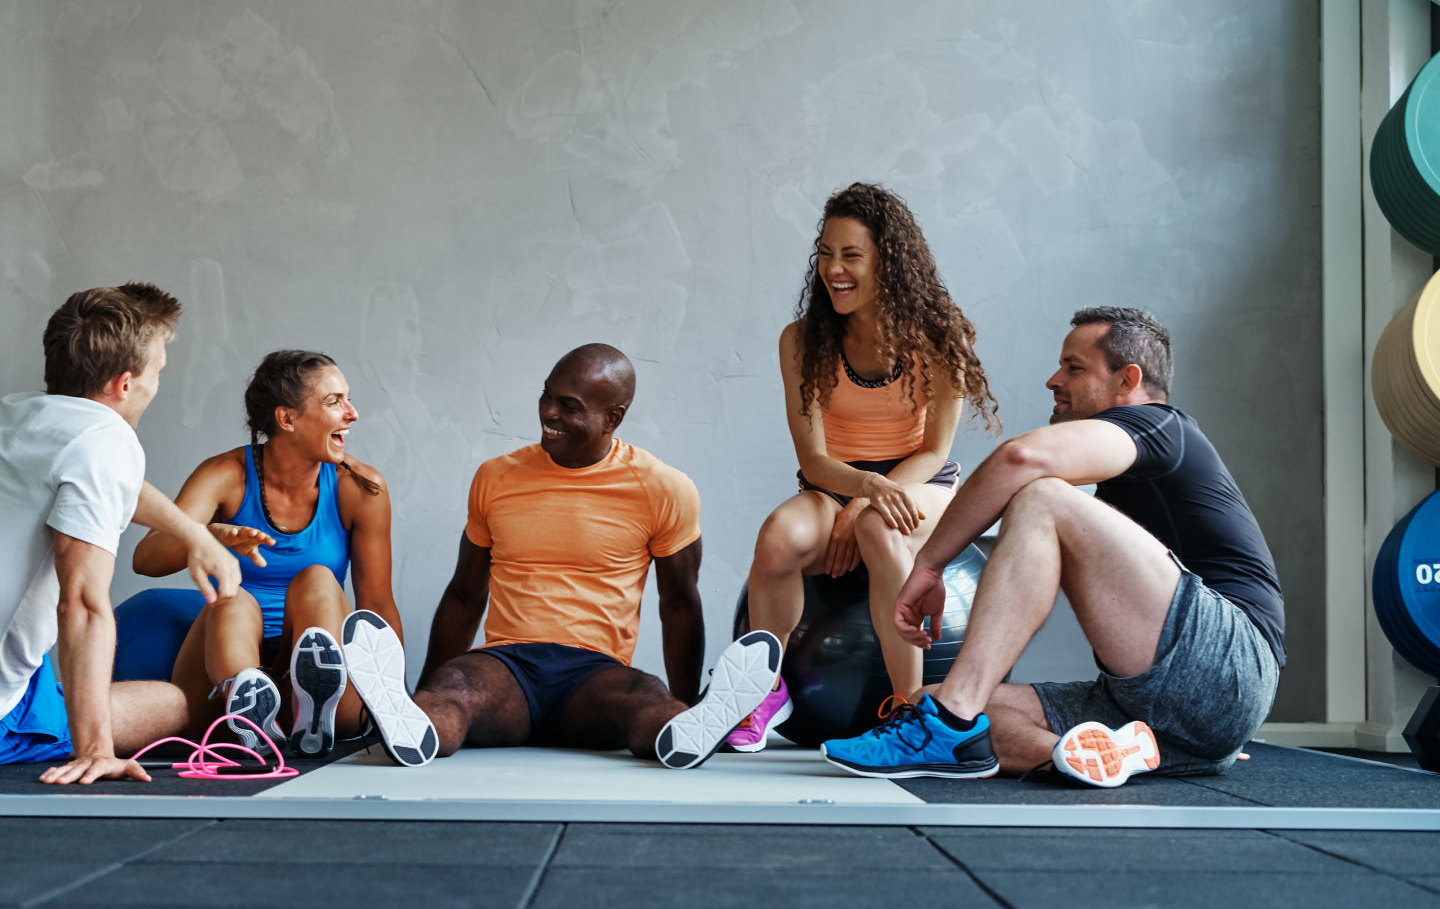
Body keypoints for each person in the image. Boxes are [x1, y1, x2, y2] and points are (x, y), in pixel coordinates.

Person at [822, 306, 1284, 787]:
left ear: (1129, 380)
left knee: (1040, 493)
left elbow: (1022, 457)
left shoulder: (1163, 426)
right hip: (1154, 702)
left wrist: (929, 566)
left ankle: (949, 721)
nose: (1052, 380)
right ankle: (1113, 754)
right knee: (925, 697)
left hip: (1230, 663)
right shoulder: (1124, 475)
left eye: (1074, 368)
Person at [414, 343, 781, 769]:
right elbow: (464, 596)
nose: (548, 413)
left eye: (569, 406)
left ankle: (689, 722)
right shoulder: (496, 477)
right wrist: (426, 689)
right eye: (547, 396)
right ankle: (415, 722)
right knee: (455, 688)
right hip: (507, 668)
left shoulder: (663, 488)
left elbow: (679, 605)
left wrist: (684, 694)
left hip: (593, 677)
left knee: (647, 699)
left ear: (613, 418)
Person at [734, 182, 998, 750]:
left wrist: (870, 499)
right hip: (834, 483)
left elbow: (934, 450)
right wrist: (859, 490)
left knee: (880, 527)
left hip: (917, 484)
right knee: (778, 538)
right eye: (825, 254)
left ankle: (909, 714)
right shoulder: (803, 340)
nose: (834, 269)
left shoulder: (941, 334)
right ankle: (761, 691)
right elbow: (813, 458)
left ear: (890, 263)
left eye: (851, 255)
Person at [133, 350, 435, 767]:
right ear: (287, 419)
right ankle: (250, 707)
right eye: (334, 402)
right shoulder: (226, 475)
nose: (352, 413)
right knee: (232, 596)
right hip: (223, 670)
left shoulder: (359, 487)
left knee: (318, 579)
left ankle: (312, 707)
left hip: (317, 661)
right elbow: (146, 558)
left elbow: (377, 604)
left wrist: (395, 698)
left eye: (347, 399)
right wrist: (206, 536)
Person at [1, 283, 245, 785]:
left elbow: (109, 486)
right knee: (172, 704)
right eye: (157, 371)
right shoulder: (106, 443)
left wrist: (192, 533)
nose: (159, 383)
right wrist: (98, 750)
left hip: (22, 674)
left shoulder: (17, 414)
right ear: (125, 384)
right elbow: (82, 604)